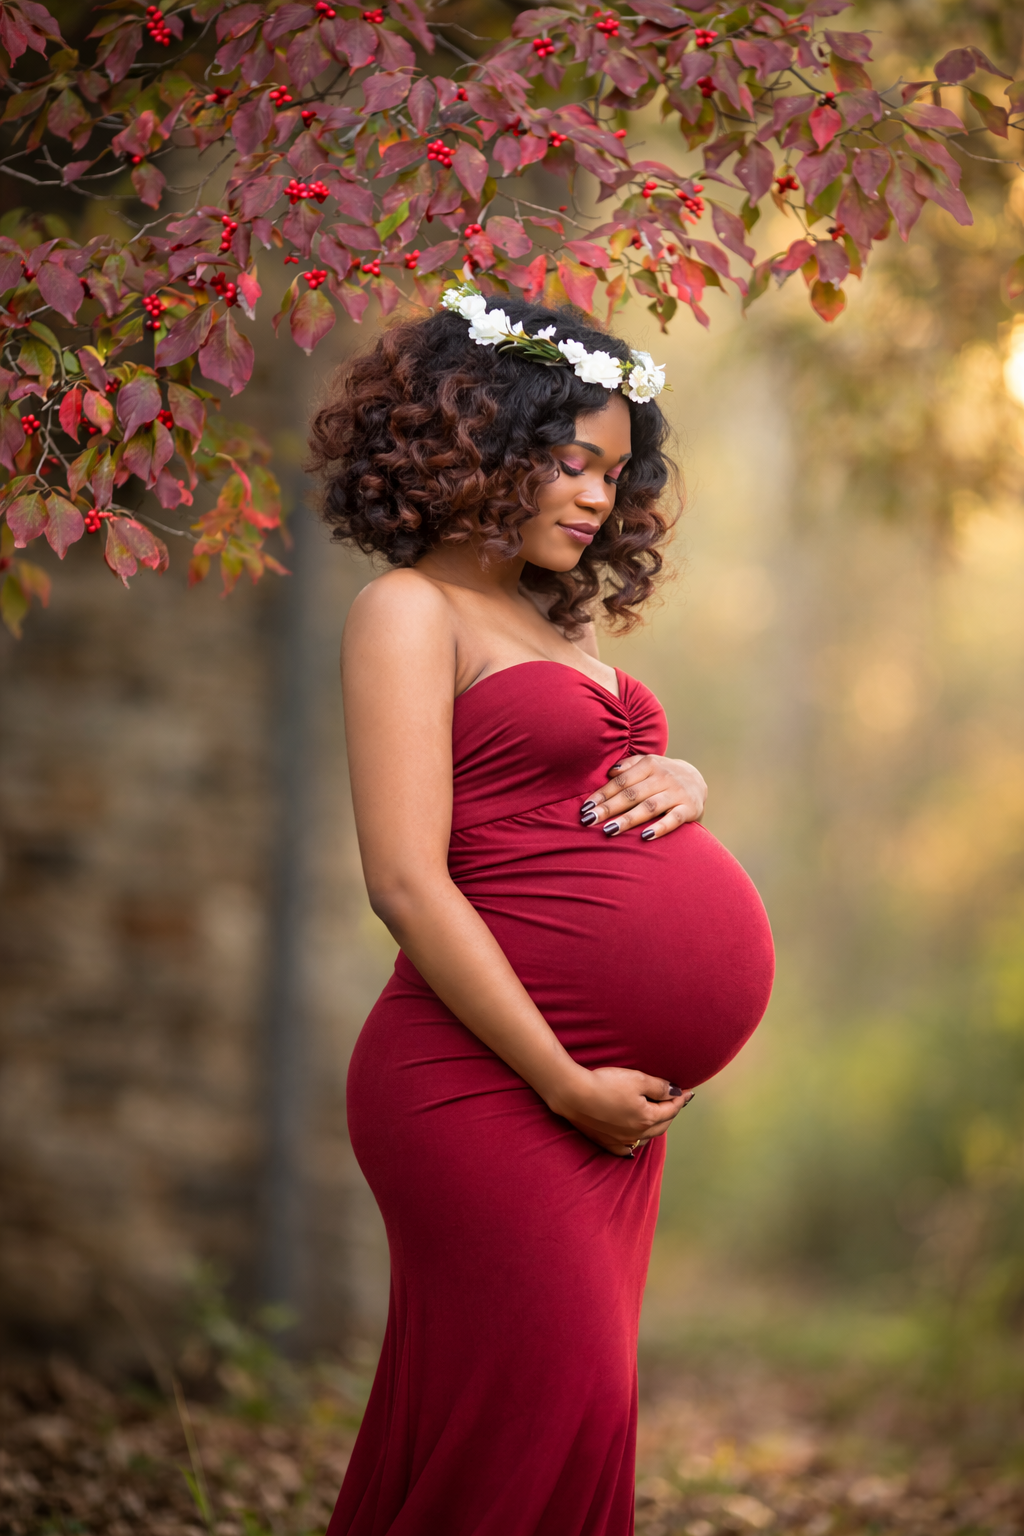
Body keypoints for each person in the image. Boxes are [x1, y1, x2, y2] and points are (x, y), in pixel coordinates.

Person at [309, 285, 775, 1536]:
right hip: (485, 1086)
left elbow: (583, 802)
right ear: (481, 437)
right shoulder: (408, 611)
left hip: (598, 1107)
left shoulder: (545, 627)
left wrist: (685, 777)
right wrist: (565, 1080)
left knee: (555, 1426)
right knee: (532, 1415)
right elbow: (405, 879)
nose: (596, 497)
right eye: (570, 460)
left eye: (614, 475)